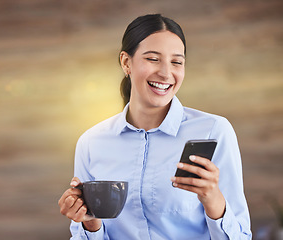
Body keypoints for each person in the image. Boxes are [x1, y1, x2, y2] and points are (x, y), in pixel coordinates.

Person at [58, 14, 252, 239]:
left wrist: (214, 200)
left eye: (176, 62)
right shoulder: (92, 142)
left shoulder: (214, 131)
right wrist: (89, 222)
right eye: (153, 59)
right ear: (126, 62)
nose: (166, 73)